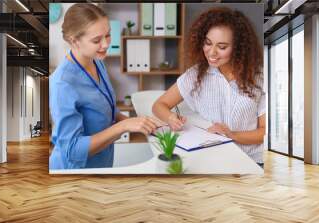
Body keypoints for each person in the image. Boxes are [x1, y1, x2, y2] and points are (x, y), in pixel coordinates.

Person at [152, 7, 266, 167]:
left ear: (239, 48)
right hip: (210, 161)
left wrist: (231, 134)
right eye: (207, 43)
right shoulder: (195, 75)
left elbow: (264, 132)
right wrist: (170, 118)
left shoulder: (259, 77)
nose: (211, 52)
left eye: (222, 47)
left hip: (252, 162)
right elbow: (159, 105)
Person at [49, 3, 158, 169]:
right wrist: (123, 127)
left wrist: (137, 123)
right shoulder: (62, 84)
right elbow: (73, 150)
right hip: (74, 172)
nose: (106, 44)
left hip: (102, 162)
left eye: (108, 35)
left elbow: (106, 109)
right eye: (96, 40)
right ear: (74, 41)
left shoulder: (96, 62)